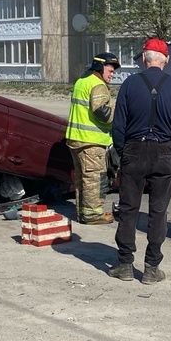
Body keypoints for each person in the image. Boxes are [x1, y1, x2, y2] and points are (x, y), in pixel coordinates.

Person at [108, 37, 171, 285]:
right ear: (165, 60)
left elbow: (118, 126)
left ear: (144, 58)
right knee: (158, 211)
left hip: (134, 150)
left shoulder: (130, 84)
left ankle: (125, 264)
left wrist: (123, 153)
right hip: (164, 152)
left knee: (128, 209)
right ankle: (152, 268)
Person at [65, 51, 119, 224]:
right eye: (110, 71)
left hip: (76, 139)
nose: (112, 75)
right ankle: (93, 215)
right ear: (100, 67)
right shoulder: (98, 84)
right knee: (94, 178)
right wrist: (119, 117)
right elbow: (101, 111)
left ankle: (83, 212)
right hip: (91, 141)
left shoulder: (82, 81)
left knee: (82, 178)